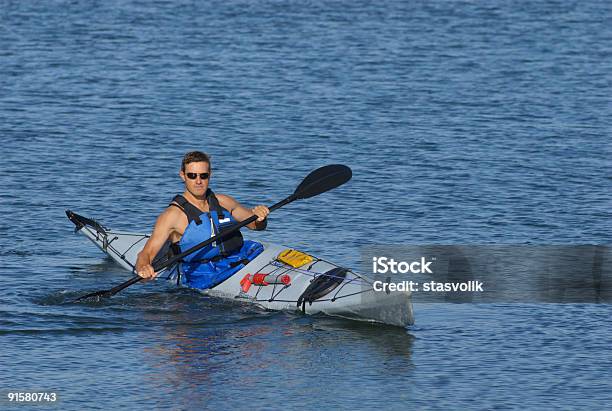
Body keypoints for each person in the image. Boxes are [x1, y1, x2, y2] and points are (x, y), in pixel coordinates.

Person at [135, 151, 269, 289]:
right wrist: (144, 267)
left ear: (210, 175)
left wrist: (260, 218)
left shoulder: (224, 202)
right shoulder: (172, 215)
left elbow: (256, 226)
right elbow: (146, 253)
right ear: (183, 175)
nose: (198, 181)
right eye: (192, 176)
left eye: (203, 176)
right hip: (201, 274)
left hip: (236, 259)